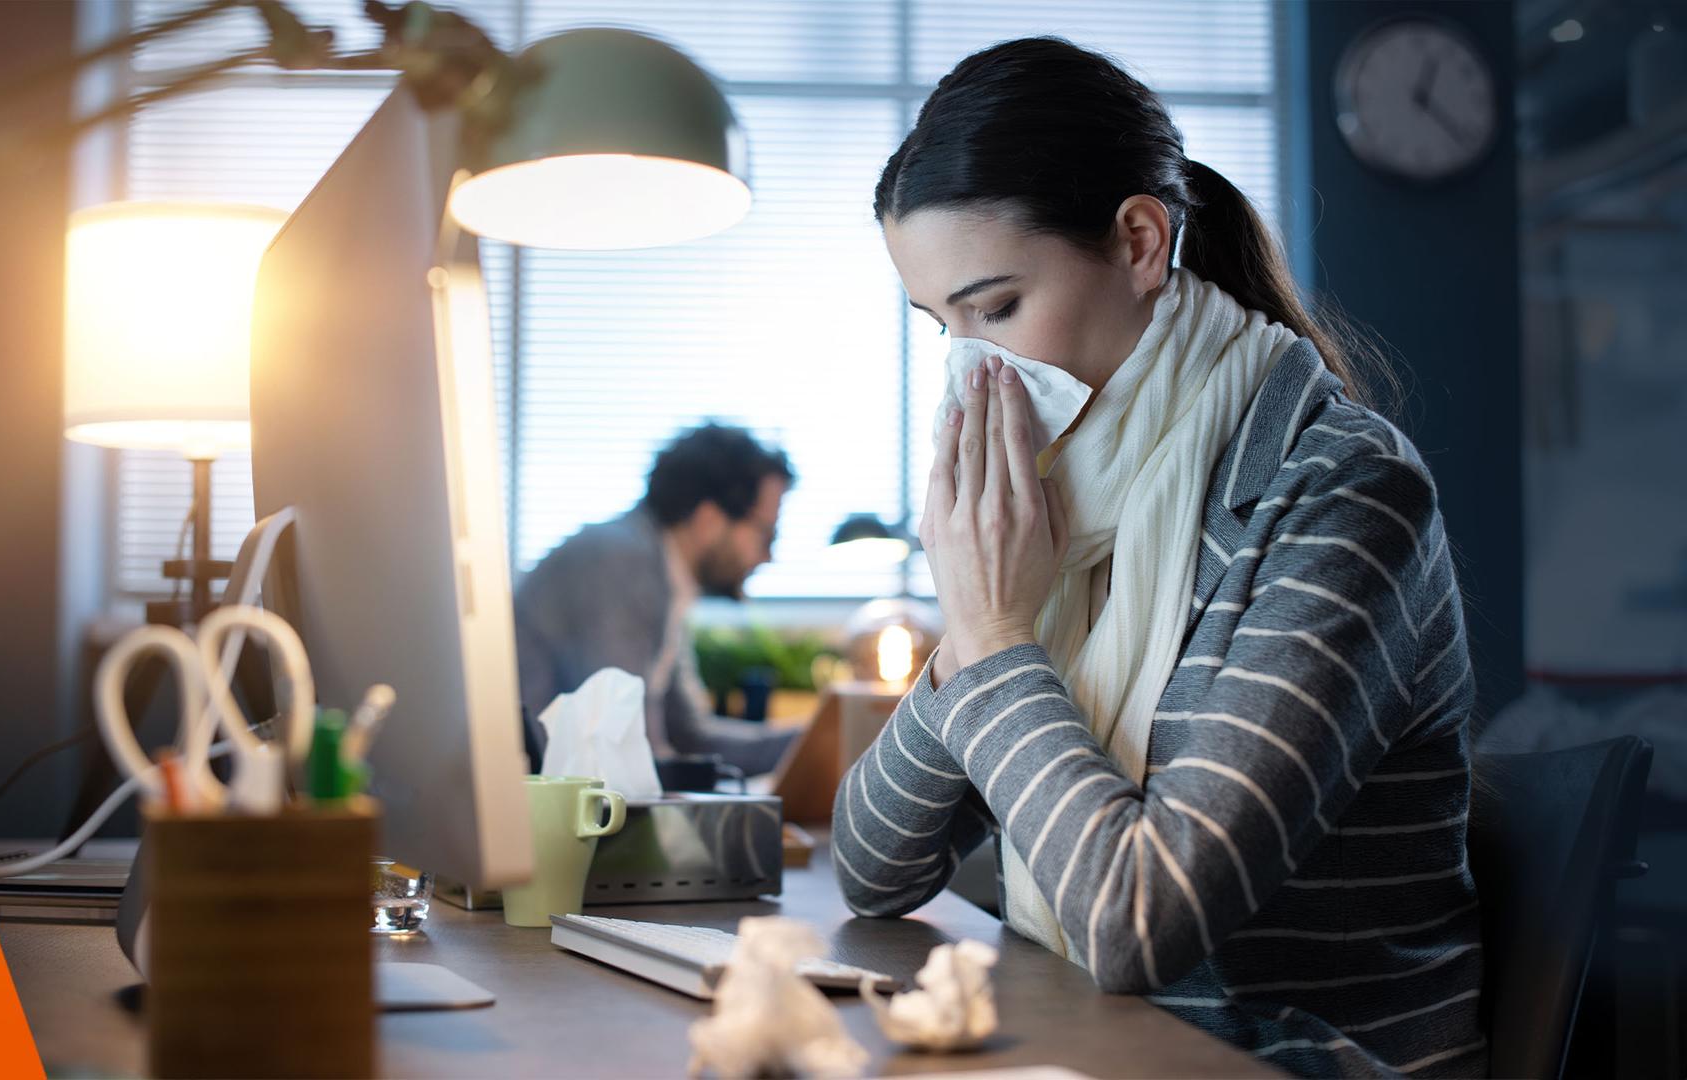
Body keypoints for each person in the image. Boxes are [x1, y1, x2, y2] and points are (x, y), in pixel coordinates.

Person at [834, 38, 1482, 1078]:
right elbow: (870, 869)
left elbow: (1139, 923)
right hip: (1083, 1048)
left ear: (1141, 242)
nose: (969, 373)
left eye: (996, 308)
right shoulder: (1068, 502)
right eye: (939, 327)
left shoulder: (1342, 492)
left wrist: (1000, 634)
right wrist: (974, 625)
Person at [515, 423, 800, 776]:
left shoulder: (665, 578)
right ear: (709, 519)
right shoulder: (618, 561)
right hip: (531, 808)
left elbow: (691, 737)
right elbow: (624, 750)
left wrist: (817, 741)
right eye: (766, 534)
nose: (768, 557)